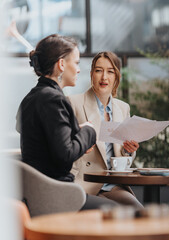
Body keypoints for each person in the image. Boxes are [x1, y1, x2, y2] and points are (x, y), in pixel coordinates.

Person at [16, 34, 118, 209]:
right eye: (76, 62)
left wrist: (71, 132)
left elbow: (30, 131)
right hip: (58, 196)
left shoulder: (31, 97)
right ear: (61, 64)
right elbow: (65, 155)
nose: (78, 69)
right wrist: (88, 132)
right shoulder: (54, 99)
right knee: (121, 213)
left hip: (36, 196)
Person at [68, 51, 143, 209]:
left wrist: (128, 151)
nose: (104, 77)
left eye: (110, 71)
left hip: (113, 185)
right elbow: (65, 147)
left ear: (117, 77)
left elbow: (122, 155)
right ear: (91, 74)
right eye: (98, 70)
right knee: (116, 214)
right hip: (85, 183)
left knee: (139, 212)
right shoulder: (73, 103)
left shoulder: (123, 108)